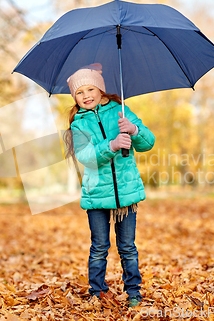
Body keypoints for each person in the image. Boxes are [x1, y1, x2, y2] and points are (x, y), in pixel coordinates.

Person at [62, 63, 155, 308]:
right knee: (99, 247)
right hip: (96, 194)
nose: (86, 96)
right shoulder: (78, 124)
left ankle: (133, 291)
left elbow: (148, 143)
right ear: (75, 98)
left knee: (128, 247)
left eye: (90, 89)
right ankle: (97, 290)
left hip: (126, 192)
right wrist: (111, 146)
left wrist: (133, 130)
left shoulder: (121, 111)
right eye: (79, 93)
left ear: (101, 90)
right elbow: (86, 157)